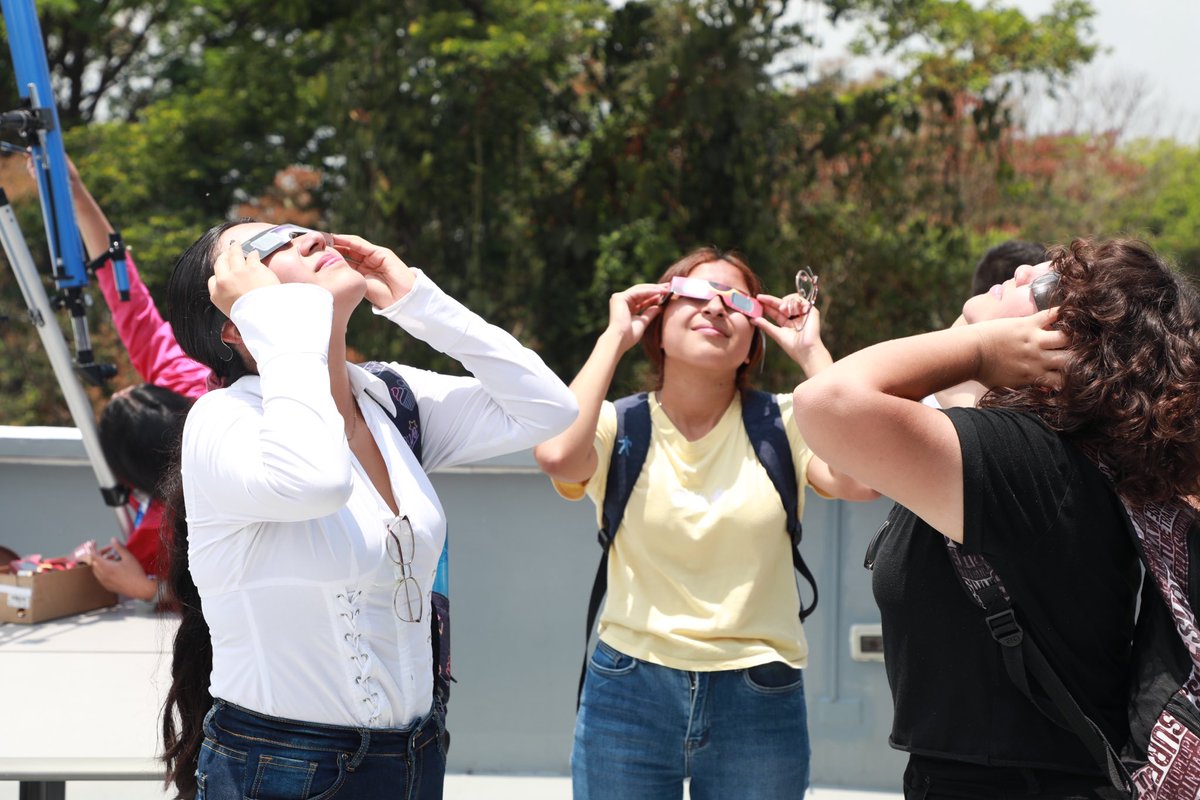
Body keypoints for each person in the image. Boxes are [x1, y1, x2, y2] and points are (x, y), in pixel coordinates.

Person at [159, 221, 578, 799]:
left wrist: (419, 302)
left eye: (300, 227)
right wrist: (276, 327)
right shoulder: (223, 422)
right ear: (234, 320)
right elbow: (313, 479)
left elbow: (549, 409)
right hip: (282, 769)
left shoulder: (388, 398)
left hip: (416, 754)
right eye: (265, 246)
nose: (307, 238)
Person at [793, 238, 1200, 799]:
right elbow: (846, 454)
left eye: (1046, 284)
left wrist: (980, 347)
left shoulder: (1030, 459)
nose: (1023, 270)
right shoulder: (1044, 458)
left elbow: (827, 402)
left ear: (1072, 342)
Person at [533, 247, 878, 800]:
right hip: (628, 688)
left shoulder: (785, 422)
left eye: (737, 301)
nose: (716, 307)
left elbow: (864, 478)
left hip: (759, 691)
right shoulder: (619, 422)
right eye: (696, 293)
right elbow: (556, 454)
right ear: (658, 325)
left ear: (752, 343)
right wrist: (612, 339)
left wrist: (814, 353)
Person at [55, 160, 211, 601]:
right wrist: (75, 191)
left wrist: (144, 589)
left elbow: (201, 599)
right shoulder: (196, 376)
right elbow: (119, 281)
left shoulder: (158, 528)